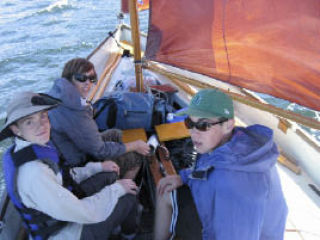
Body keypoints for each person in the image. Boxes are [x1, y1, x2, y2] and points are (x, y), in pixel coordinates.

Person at [0, 92, 140, 240]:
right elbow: (84, 212)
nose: (41, 125)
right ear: (16, 129)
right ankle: (128, 236)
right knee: (129, 197)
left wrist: (97, 167)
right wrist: (118, 189)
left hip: (65, 212)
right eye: (29, 121)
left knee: (109, 175)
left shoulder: (29, 148)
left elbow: (65, 175)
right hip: (67, 233)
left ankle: (114, 223)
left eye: (43, 116)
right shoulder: (34, 173)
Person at [154, 89, 288, 240]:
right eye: (189, 123)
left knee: (166, 195)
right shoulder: (233, 146)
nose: (193, 132)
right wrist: (184, 177)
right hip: (221, 208)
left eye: (203, 125)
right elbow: (210, 168)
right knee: (165, 189)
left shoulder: (235, 187)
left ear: (228, 125)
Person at [47, 58, 149, 179]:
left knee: (115, 133)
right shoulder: (75, 110)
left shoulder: (61, 94)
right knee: (135, 157)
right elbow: (100, 150)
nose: (88, 83)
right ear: (69, 78)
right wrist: (134, 145)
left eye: (92, 78)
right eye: (81, 78)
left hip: (75, 147)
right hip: (78, 163)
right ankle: (123, 190)